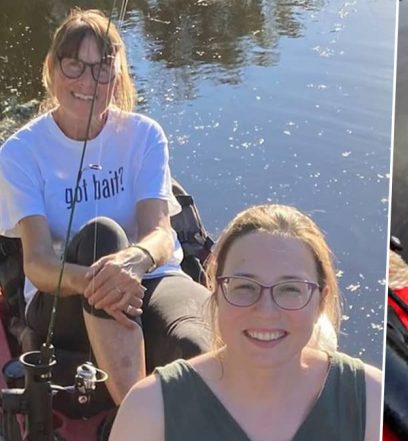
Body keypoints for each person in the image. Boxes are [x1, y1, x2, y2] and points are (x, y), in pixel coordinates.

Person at [0, 8, 211, 409]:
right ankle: (137, 417)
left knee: (196, 342)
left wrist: (133, 262)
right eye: (75, 65)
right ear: (51, 68)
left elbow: (161, 234)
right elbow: (39, 264)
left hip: (149, 281)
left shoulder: (145, 134)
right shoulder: (20, 153)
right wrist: (100, 279)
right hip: (63, 298)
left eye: (101, 68)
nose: (88, 81)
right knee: (102, 235)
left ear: (117, 76)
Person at [110, 204, 383, 441]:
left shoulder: (370, 401)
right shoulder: (149, 410)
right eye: (244, 287)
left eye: (290, 289)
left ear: (320, 302)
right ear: (216, 293)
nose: (265, 311)